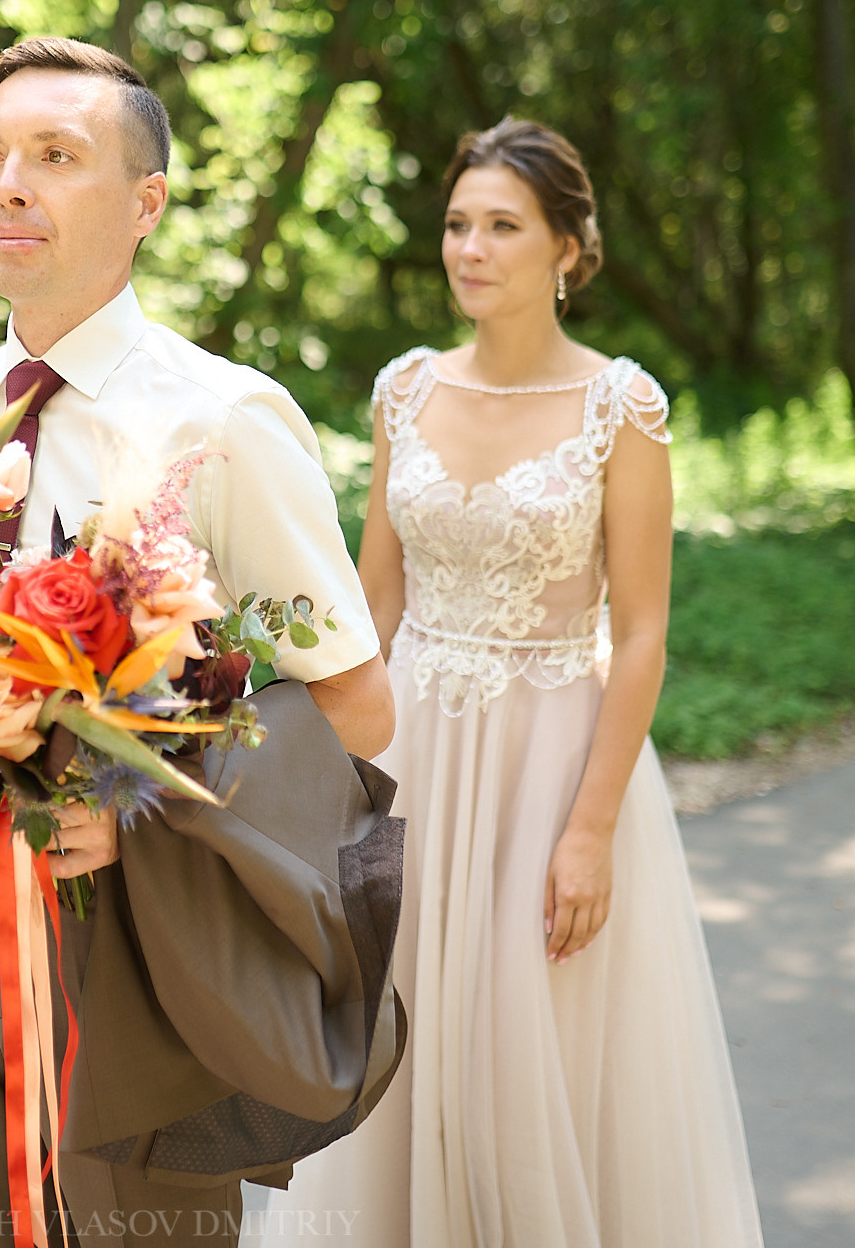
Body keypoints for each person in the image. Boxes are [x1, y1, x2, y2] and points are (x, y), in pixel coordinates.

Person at [0, 36, 398, 1246]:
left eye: (55, 155)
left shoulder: (222, 418)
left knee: (137, 1229)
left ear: (145, 202)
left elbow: (356, 705)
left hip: (141, 921)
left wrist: (144, 806)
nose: (9, 184)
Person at [257, 118, 764, 1246]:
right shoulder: (403, 390)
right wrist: (325, 775)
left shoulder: (618, 407)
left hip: (551, 760)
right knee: (397, 1029)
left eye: (501, 226)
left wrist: (586, 833)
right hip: (415, 750)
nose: (469, 248)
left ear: (567, 249)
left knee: (517, 1048)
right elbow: (370, 603)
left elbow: (638, 634)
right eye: (455, 224)